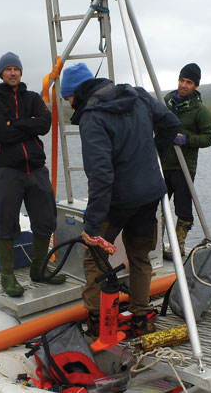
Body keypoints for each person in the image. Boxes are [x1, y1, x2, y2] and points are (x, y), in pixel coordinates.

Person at [59, 63, 180, 336]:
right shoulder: (138, 96)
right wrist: (154, 155)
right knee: (140, 257)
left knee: (95, 258)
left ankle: (97, 321)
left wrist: (91, 228)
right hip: (149, 196)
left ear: (76, 93)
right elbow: (171, 123)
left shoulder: (92, 117)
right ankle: (141, 318)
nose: (67, 103)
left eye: (67, 97)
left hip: (117, 202)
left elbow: (101, 177)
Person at [0, 52, 66, 297]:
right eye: (8, 69)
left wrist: (14, 124)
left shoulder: (31, 97)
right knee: (7, 224)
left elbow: (44, 124)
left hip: (36, 170)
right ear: (1, 73)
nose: (13, 73)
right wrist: (26, 125)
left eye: (16, 69)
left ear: (21, 72)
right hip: (9, 172)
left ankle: (38, 270)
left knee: (46, 221)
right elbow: (0, 133)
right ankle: (7, 277)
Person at [161, 63, 211, 259]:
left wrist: (187, 140)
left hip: (184, 167)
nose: (183, 85)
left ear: (196, 86)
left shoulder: (201, 111)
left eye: (189, 82)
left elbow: (209, 137)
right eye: (182, 80)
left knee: (183, 209)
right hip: (161, 164)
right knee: (156, 206)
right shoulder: (164, 103)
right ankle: (155, 246)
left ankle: (178, 247)